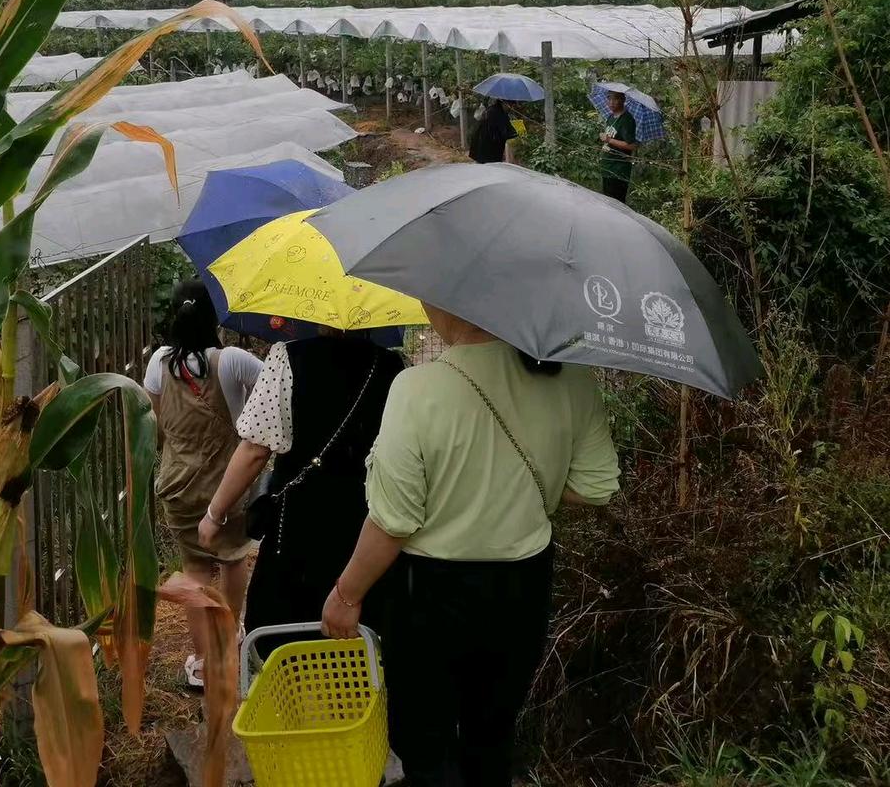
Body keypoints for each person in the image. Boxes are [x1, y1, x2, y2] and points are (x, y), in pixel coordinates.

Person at [321, 305, 620, 787]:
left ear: (449, 301)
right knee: (493, 735)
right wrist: (517, 488)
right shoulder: (572, 380)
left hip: (430, 599)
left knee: (427, 744)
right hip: (524, 588)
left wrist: (346, 595)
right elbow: (595, 486)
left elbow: (393, 521)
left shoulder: (417, 388)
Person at [198, 330, 404, 649]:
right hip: (365, 525)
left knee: (287, 638)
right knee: (358, 645)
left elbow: (255, 449)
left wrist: (214, 513)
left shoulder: (288, 357)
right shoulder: (392, 366)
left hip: (297, 527)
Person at [143, 279, 263, 688]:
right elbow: (277, 393)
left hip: (176, 486)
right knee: (232, 561)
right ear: (215, 318)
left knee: (194, 571)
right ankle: (229, 642)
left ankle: (199, 661)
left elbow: (159, 425)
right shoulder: (233, 361)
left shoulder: (158, 362)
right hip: (225, 490)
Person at [599, 90, 638, 203]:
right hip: (607, 167)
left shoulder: (627, 120)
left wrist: (609, 139)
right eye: (609, 99)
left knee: (616, 205)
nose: (611, 102)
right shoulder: (611, 117)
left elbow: (631, 145)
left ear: (623, 100)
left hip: (618, 171)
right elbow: (612, 139)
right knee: (607, 204)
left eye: (615, 99)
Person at [469, 98, 517, 164]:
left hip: (484, 147)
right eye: (510, 105)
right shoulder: (496, 113)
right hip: (486, 147)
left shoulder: (497, 110)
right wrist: (514, 134)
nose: (511, 108)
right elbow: (502, 130)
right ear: (504, 103)